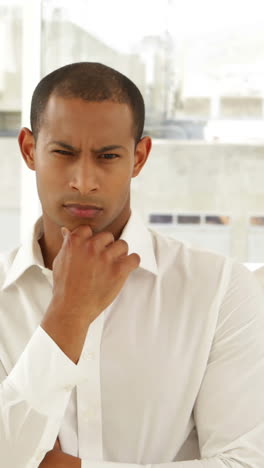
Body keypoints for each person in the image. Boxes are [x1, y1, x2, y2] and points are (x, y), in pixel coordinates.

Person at [0, 62, 264, 468]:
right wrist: (68, 313)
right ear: (29, 150)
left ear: (138, 158)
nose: (83, 180)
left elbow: (246, 463)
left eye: (107, 156)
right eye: (63, 152)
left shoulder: (220, 289)